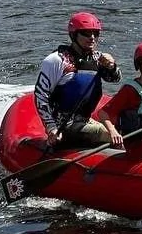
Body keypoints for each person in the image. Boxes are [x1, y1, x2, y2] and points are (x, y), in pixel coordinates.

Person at [34, 11, 122, 148]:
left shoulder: (98, 58)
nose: (92, 38)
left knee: (122, 129)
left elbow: (115, 79)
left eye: (96, 33)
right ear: (74, 35)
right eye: (86, 33)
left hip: (85, 120)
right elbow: (41, 95)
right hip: (63, 125)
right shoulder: (56, 60)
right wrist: (51, 128)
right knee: (113, 136)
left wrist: (111, 66)